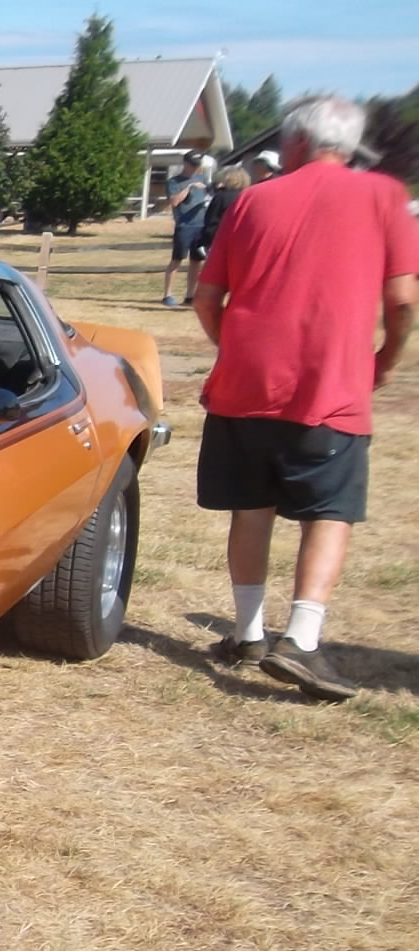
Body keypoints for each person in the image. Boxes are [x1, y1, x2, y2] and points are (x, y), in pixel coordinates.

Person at [191, 96, 419, 700]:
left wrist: (233, 347)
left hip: (245, 384)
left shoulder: (252, 199)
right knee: (329, 511)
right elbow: (402, 299)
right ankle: (302, 639)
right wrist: (385, 360)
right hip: (332, 384)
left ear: (295, 143)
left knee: (251, 508)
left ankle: (248, 633)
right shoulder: (384, 196)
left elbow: (207, 297)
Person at [162, 150, 212, 307]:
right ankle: (167, 295)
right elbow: (174, 202)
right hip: (184, 226)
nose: (195, 168)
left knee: (196, 261)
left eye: (197, 165)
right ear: (185, 163)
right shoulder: (173, 182)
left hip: (200, 225)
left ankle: (190, 295)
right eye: (192, 164)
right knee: (176, 260)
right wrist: (189, 187)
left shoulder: (203, 178)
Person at [200, 165, 251, 252]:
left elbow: (212, 221)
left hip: (221, 241)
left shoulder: (222, 197)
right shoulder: (249, 195)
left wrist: (205, 240)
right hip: (243, 241)